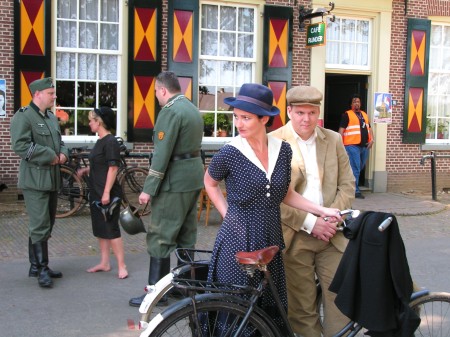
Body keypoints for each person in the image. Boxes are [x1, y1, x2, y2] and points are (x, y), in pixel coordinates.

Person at [204, 83, 342, 333]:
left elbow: (286, 194)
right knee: (237, 311)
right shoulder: (231, 152)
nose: (239, 124)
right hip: (238, 239)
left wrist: (322, 211)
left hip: (271, 238)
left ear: (264, 119)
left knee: (268, 309)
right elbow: (209, 182)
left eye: (246, 118)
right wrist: (228, 216)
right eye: (237, 117)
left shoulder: (282, 150)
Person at [270, 86, 355, 337]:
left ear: (318, 112)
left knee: (340, 303)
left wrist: (330, 217)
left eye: (311, 112)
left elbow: (347, 185)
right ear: (289, 112)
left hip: (332, 235)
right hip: (295, 237)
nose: (306, 119)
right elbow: (273, 197)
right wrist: (310, 222)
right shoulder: (273, 142)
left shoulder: (334, 139)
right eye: (300, 113)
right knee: (302, 309)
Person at [129, 71, 204, 307]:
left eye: (156, 93)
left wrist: (148, 189)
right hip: (193, 179)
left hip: (173, 182)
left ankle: (156, 293)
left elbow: (161, 154)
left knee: (160, 235)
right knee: (186, 235)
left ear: (163, 90)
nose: (157, 98)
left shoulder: (170, 111)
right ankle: (185, 288)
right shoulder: (192, 109)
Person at [10, 77, 69, 288]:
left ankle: (35, 265)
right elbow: (20, 145)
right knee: (40, 224)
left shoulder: (51, 118)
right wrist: (50, 155)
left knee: (46, 224)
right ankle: (42, 268)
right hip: (35, 180)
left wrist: (63, 154)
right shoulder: (23, 117)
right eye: (51, 93)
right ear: (38, 94)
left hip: (51, 179)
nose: (54, 96)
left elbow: (61, 142)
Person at [76, 107, 128, 279]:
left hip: (108, 193)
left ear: (99, 122)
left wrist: (106, 193)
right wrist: (87, 169)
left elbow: (113, 168)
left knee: (111, 228)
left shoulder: (111, 141)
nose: (89, 123)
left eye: (91, 120)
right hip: (96, 191)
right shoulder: (100, 141)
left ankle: (122, 266)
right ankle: (104, 263)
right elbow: (102, 164)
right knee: (100, 229)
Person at [338, 93, 374, 199]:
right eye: (354, 101)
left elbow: (369, 128)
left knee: (360, 166)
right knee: (356, 168)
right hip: (351, 145)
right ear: (351, 104)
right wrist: (340, 146)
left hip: (364, 146)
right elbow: (341, 131)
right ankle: (355, 190)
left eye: (358, 101)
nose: (356, 103)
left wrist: (372, 140)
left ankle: (347, 185)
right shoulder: (346, 115)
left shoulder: (364, 114)